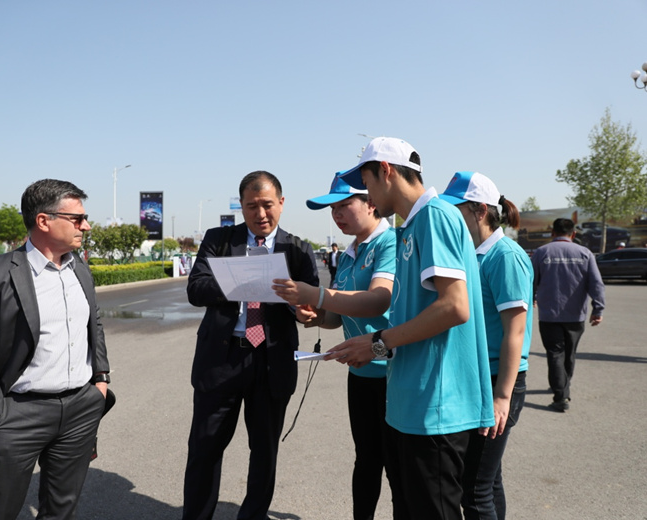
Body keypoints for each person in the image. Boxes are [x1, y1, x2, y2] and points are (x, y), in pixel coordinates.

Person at [326, 137, 494, 520]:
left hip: (436, 406)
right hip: (412, 403)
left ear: (385, 170)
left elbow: (454, 306)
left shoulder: (435, 216)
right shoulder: (412, 226)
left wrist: (377, 343)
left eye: (366, 183)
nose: (368, 196)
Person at [0, 179, 112, 519]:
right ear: (43, 221)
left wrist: (100, 380)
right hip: (19, 412)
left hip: (80, 409)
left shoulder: (79, 268)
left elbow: (94, 325)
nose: (85, 226)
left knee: (61, 508)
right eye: (77, 218)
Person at [183, 171, 319, 520]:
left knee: (264, 452)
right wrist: (244, 278)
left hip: (272, 360)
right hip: (223, 358)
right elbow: (196, 289)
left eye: (267, 205)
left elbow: (309, 305)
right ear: (241, 206)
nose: (260, 214)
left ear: (282, 203)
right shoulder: (219, 240)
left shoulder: (298, 250)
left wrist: (304, 312)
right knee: (204, 449)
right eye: (251, 206)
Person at [273, 173, 395, 520]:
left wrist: (318, 294)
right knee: (366, 460)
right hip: (361, 373)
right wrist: (314, 316)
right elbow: (336, 317)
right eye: (332, 209)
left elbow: (379, 300)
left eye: (344, 205)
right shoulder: (350, 252)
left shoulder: (390, 244)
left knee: (399, 465)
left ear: (371, 203)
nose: (337, 214)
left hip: (393, 372)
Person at [440, 171, 534, 520]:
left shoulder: (505, 256)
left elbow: (515, 332)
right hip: (480, 377)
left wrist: (502, 397)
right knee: (488, 481)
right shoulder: (472, 254)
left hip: (498, 380)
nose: (450, 219)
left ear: (480, 210)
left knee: (475, 488)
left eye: (456, 211)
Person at [531, 218, 605, 412]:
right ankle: (562, 386)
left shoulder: (541, 253)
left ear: (552, 233)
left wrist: (531, 298)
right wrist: (598, 309)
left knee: (555, 353)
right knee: (569, 354)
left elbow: (530, 280)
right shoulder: (585, 253)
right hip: (575, 316)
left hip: (549, 316)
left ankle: (561, 395)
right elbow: (596, 284)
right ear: (573, 234)